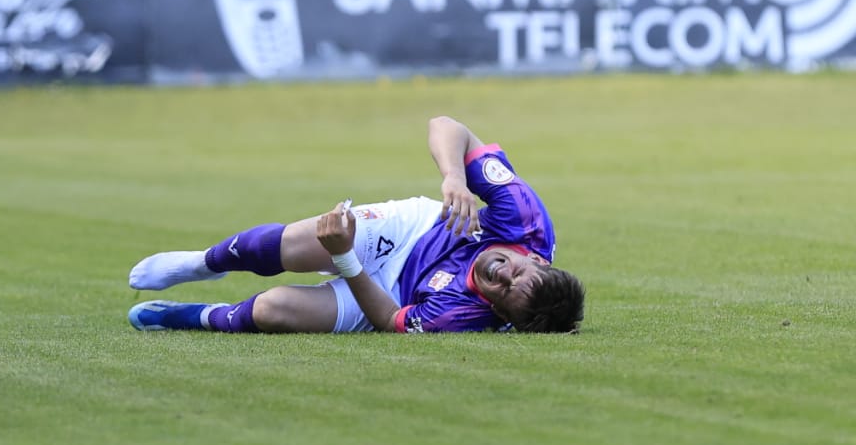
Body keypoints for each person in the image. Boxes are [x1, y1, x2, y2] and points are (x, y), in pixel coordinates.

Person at [127, 116, 584, 335]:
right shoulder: (523, 220)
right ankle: (202, 263)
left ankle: (189, 317)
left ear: (500, 317)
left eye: (503, 292)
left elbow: (387, 318)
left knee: (271, 311)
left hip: (393, 294)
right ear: (537, 260)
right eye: (518, 273)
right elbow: (447, 125)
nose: (502, 275)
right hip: (418, 227)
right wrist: (453, 177)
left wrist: (345, 257)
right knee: (296, 245)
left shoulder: (457, 317)